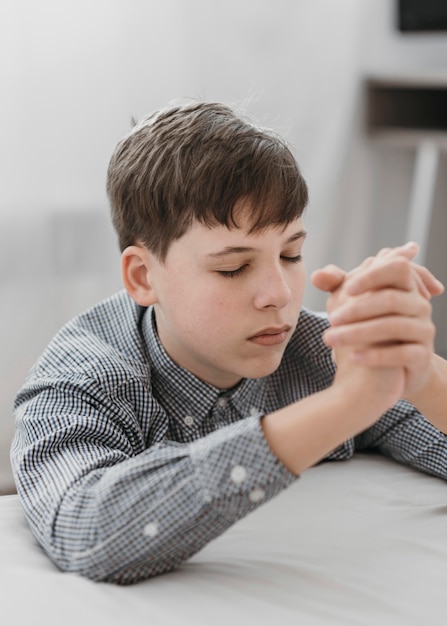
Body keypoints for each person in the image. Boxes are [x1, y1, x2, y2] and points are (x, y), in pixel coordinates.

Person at [11, 101, 447, 585]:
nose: (279, 295)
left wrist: (417, 373)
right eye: (232, 268)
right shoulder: (82, 379)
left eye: (291, 253)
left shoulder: (317, 349)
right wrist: (343, 406)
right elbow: (84, 528)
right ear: (142, 276)